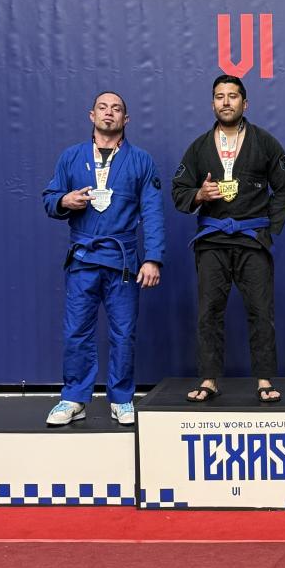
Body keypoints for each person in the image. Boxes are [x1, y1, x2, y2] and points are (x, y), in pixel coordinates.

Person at [172, 75, 285, 403]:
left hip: (252, 239)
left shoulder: (265, 142)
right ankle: (209, 378)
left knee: (260, 310)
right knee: (209, 311)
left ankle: (264, 379)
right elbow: (179, 190)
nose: (226, 102)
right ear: (212, 104)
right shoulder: (199, 147)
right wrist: (199, 195)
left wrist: (268, 227)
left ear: (245, 103)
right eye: (219, 96)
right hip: (212, 239)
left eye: (232, 96)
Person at [43, 92, 165, 426]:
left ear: (126, 119)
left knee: (123, 333)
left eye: (116, 109)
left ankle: (122, 398)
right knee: (76, 331)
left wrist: (153, 258)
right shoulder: (71, 157)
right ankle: (73, 398)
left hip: (122, 261)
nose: (109, 113)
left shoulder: (141, 160)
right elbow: (50, 198)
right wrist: (64, 201)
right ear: (91, 115)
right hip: (83, 258)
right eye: (103, 107)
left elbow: (153, 212)